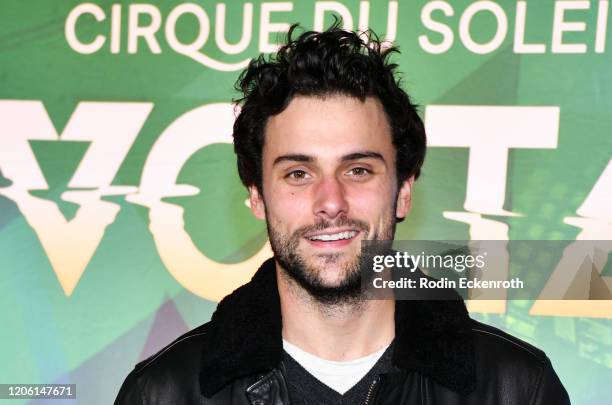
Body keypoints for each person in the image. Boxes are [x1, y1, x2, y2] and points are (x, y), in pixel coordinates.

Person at [114, 23, 570, 405]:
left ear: (404, 191)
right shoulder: (165, 394)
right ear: (257, 196)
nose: (330, 201)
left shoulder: (516, 390)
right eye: (297, 173)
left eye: (357, 169)